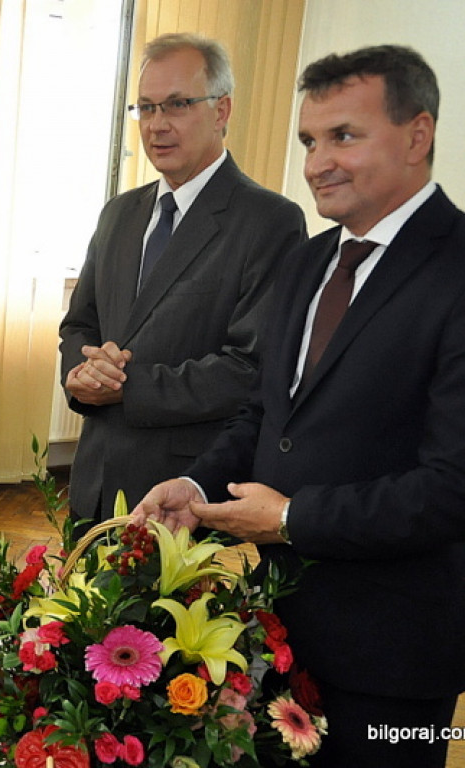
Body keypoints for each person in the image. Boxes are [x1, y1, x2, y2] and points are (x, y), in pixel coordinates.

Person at [135, 45, 465, 767]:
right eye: (310, 141)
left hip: (396, 656)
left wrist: (290, 519)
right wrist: (195, 486)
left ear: (418, 134)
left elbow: (451, 489)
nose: (318, 163)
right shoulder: (311, 261)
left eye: (344, 136)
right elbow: (266, 416)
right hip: (280, 633)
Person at [59, 33, 305, 525]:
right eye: (146, 108)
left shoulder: (269, 221)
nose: (157, 125)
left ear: (222, 110)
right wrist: (82, 374)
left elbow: (251, 368)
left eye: (177, 105)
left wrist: (128, 387)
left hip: (183, 493)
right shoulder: (119, 214)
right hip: (94, 478)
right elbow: (79, 326)